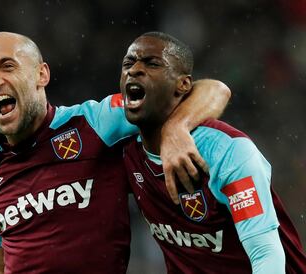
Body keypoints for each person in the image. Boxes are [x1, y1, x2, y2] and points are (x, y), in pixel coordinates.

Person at [0, 31, 230, 273]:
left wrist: (176, 128)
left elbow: (213, 89)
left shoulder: (94, 123)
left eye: (8, 66)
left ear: (42, 75)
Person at [121, 31, 306, 273]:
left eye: (152, 63)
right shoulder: (123, 143)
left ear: (183, 85)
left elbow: (265, 254)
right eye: (128, 63)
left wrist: (176, 127)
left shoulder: (227, 151)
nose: (134, 70)